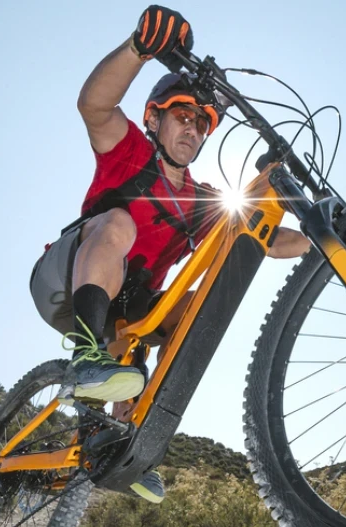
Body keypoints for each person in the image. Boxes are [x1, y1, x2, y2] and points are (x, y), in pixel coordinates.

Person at [29, 5, 311, 502]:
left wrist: (322, 242)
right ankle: (86, 359)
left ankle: (128, 442)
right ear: (154, 119)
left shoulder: (202, 201)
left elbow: (263, 241)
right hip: (67, 281)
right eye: (182, 116)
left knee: (202, 305)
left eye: (202, 124)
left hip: (132, 307)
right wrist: (139, 47)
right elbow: (94, 106)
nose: (192, 130)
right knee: (119, 222)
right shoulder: (131, 153)